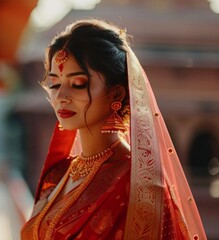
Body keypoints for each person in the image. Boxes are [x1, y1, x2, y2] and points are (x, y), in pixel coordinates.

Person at [20, 18, 206, 239]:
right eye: (55, 84)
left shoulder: (140, 188)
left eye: (78, 84)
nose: (61, 97)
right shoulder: (60, 173)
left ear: (117, 93)